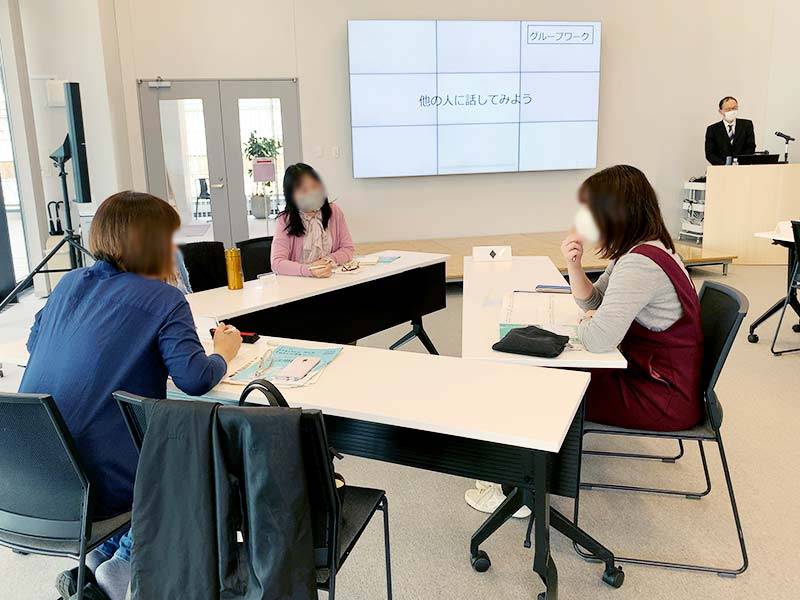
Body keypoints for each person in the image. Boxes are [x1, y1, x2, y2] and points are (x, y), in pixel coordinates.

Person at [18, 191, 242, 600]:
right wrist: (222, 354)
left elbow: (36, 344)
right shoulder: (164, 299)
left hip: (35, 479)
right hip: (96, 489)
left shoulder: (68, 284)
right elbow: (194, 378)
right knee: (188, 453)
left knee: (120, 442)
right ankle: (121, 567)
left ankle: (96, 561)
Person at [562, 164, 704, 431]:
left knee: (552, 384)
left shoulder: (639, 263)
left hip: (660, 398)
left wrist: (589, 320)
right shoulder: (641, 250)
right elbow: (595, 302)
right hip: (656, 382)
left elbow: (597, 339)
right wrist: (574, 266)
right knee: (557, 376)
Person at [271, 163, 355, 277]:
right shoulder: (285, 220)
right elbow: (277, 263)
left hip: (330, 278)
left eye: (315, 187)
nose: (311, 193)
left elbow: (348, 248)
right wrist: (309, 270)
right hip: (298, 282)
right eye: (303, 190)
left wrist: (327, 261)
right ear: (291, 196)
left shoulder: (334, 211)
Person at [705, 96, 756, 165]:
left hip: (742, 166)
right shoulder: (712, 129)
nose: (731, 111)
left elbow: (751, 147)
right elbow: (710, 153)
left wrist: (740, 163)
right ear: (720, 111)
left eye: (734, 108)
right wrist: (725, 165)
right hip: (721, 168)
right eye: (728, 109)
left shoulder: (747, 125)